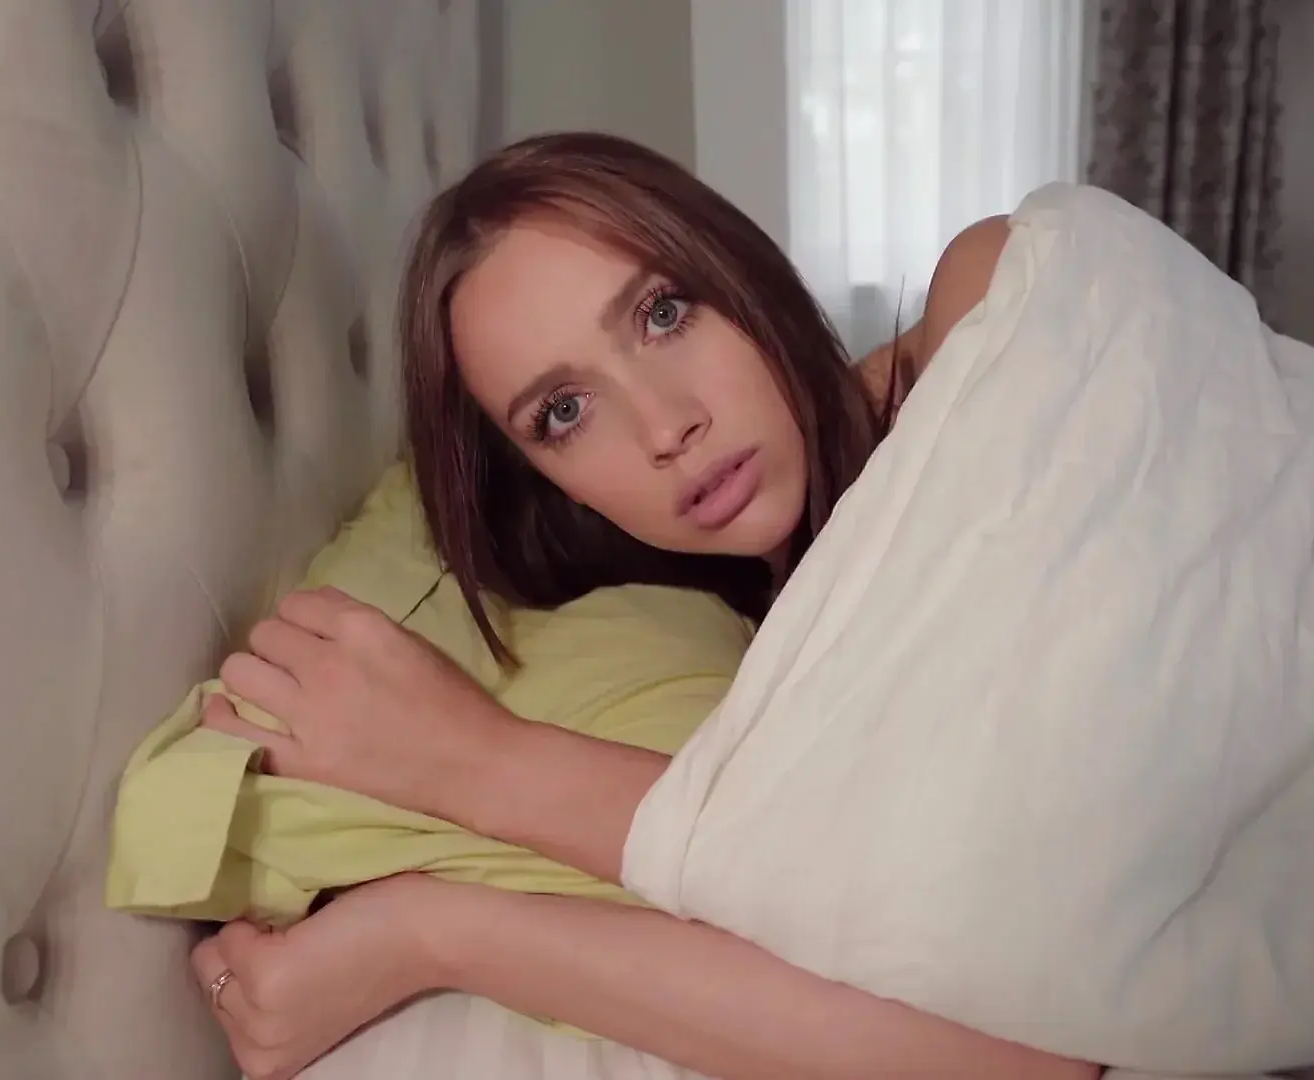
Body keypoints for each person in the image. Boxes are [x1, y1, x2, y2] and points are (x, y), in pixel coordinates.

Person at [191, 132, 1098, 1080]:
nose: (666, 427)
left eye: (663, 313)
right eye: (564, 412)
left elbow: (1025, 1017)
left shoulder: (989, 294)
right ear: (550, 483)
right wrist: (430, 927)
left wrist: (471, 775)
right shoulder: (744, 643)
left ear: (737, 262)